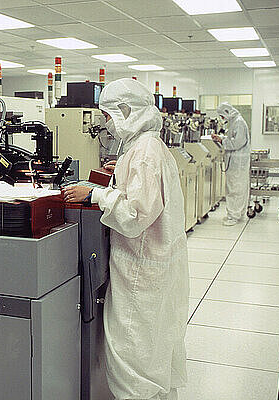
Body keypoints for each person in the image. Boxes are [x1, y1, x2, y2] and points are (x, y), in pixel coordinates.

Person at [63, 78, 189, 400]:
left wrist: (95, 194)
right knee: (153, 353)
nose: (106, 123)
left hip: (140, 272)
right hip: (155, 266)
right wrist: (119, 172)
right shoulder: (148, 146)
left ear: (124, 110)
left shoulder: (144, 152)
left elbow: (135, 216)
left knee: (133, 358)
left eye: (107, 115)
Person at [211, 102, 250, 226]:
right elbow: (234, 139)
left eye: (222, 116)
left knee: (234, 188)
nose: (222, 119)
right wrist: (222, 138)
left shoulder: (238, 122)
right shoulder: (235, 122)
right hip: (236, 161)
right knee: (238, 187)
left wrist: (222, 140)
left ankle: (233, 216)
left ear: (227, 112)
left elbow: (237, 143)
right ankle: (238, 213)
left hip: (237, 162)